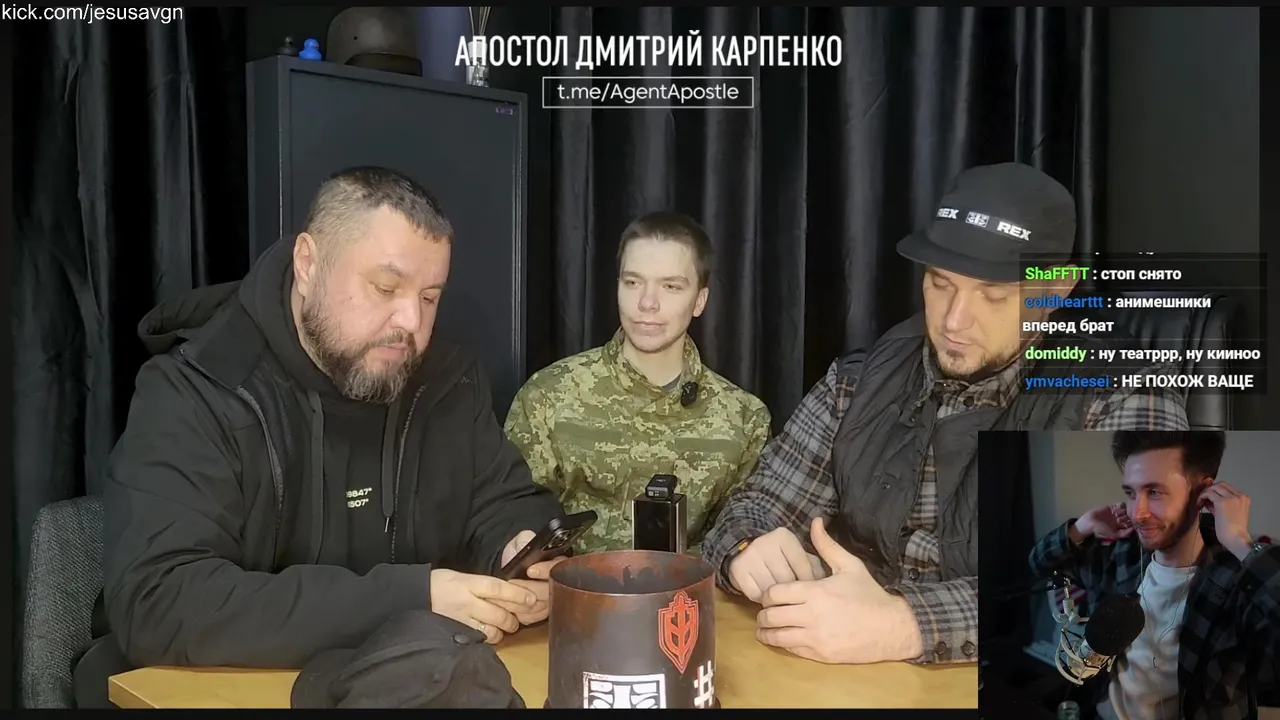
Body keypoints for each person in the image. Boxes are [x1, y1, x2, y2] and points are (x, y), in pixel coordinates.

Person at [701, 163, 1191, 667]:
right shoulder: (858, 378)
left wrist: (905, 624)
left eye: (993, 295)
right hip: (835, 668)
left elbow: (1132, 590)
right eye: (940, 283)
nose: (954, 321)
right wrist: (746, 547)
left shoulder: (1125, 394)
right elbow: (757, 504)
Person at [99, 167, 565, 675]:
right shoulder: (198, 389)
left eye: (430, 297)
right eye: (385, 287)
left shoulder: (447, 383)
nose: (411, 322)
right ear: (307, 264)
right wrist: (411, 598)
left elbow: (504, 501)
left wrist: (520, 550)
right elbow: (158, 599)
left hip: (403, 679)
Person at [505, 211, 771, 554]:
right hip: (570, 586)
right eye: (633, 282)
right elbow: (512, 515)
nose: (647, 303)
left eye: (671, 286)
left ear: (700, 301)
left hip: (692, 589)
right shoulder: (548, 395)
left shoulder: (745, 420)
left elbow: (740, 539)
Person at [1028, 431, 1277, 719]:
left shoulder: (1239, 581)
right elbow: (1040, 564)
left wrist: (1241, 543)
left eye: (1154, 492)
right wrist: (1081, 527)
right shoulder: (1122, 557)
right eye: (1131, 493)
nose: (1138, 513)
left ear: (1202, 492)